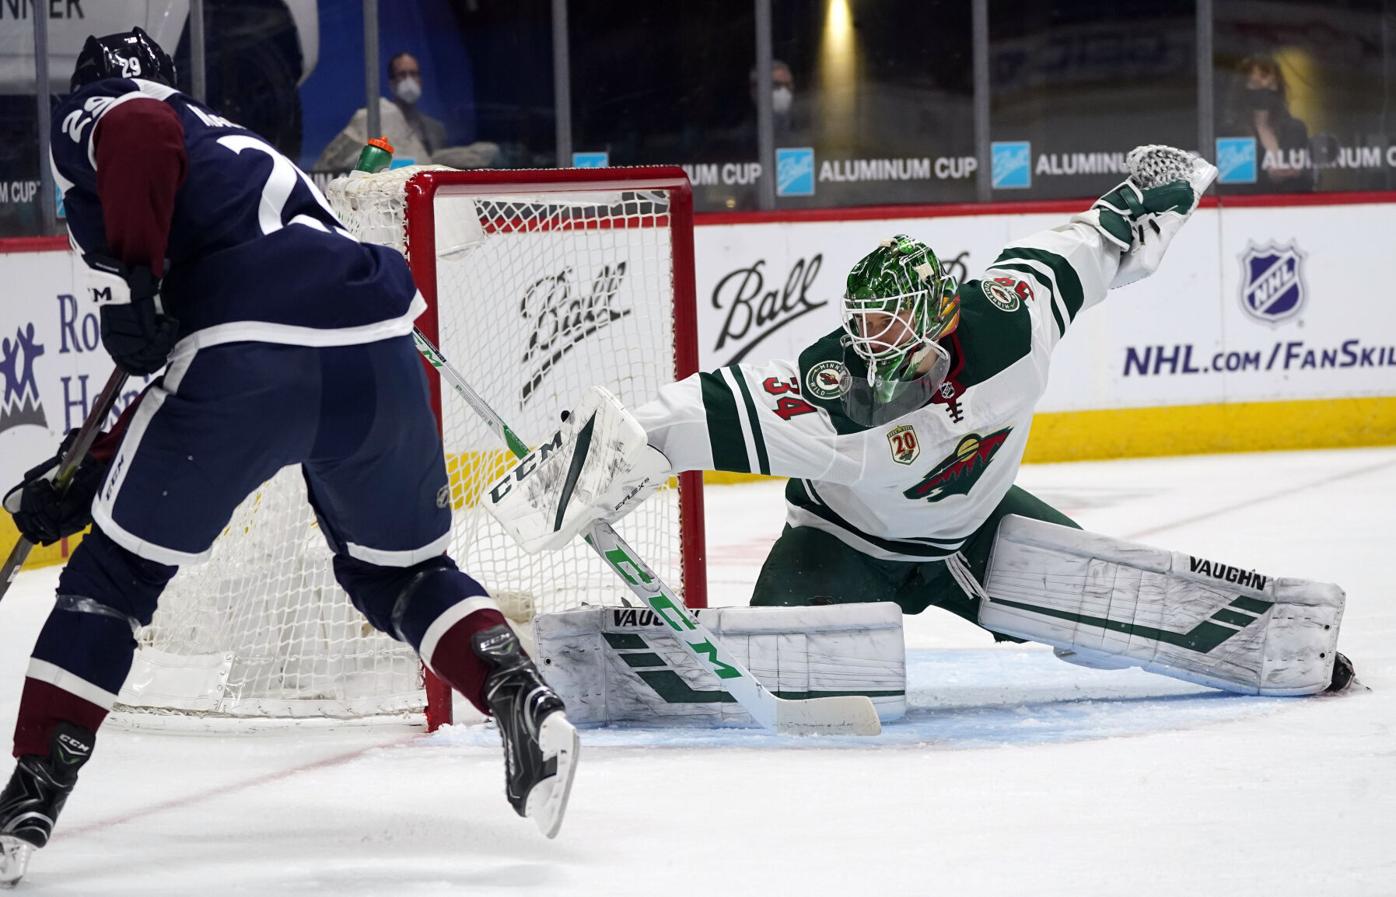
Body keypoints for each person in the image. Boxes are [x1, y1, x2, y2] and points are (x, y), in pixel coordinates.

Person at [0, 27, 576, 886]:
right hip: (379, 348)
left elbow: (139, 138)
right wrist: (89, 473)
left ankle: (29, 798)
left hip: (251, 357)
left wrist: (137, 279)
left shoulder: (112, 111)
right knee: (400, 572)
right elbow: (174, 355)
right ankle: (515, 692)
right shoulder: (233, 149)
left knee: (112, 584)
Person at [488, 145, 1355, 703]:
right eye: (863, 323)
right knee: (780, 678)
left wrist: (1151, 195)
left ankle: (1280, 651)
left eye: (892, 323)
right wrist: (592, 459)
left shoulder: (1011, 318)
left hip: (979, 534)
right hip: (842, 548)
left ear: (942, 315)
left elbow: (1092, 242)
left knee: (1102, 641)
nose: (871, 341)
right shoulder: (839, 395)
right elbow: (694, 410)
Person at [314, 51, 499, 172]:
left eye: (414, 74)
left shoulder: (435, 129)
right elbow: (333, 164)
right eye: (402, 75)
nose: (409, 80)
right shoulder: (374, 119)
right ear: (391, 82)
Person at [1226, 54, 1314, 191]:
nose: (1264, 89)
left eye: (1271, 84)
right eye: (1256, 84)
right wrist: (1268, 178)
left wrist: (1298, 173)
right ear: (1243, 88)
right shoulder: (1231, 133)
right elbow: (1232, 185)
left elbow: (1311, 179)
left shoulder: (1295, 130)